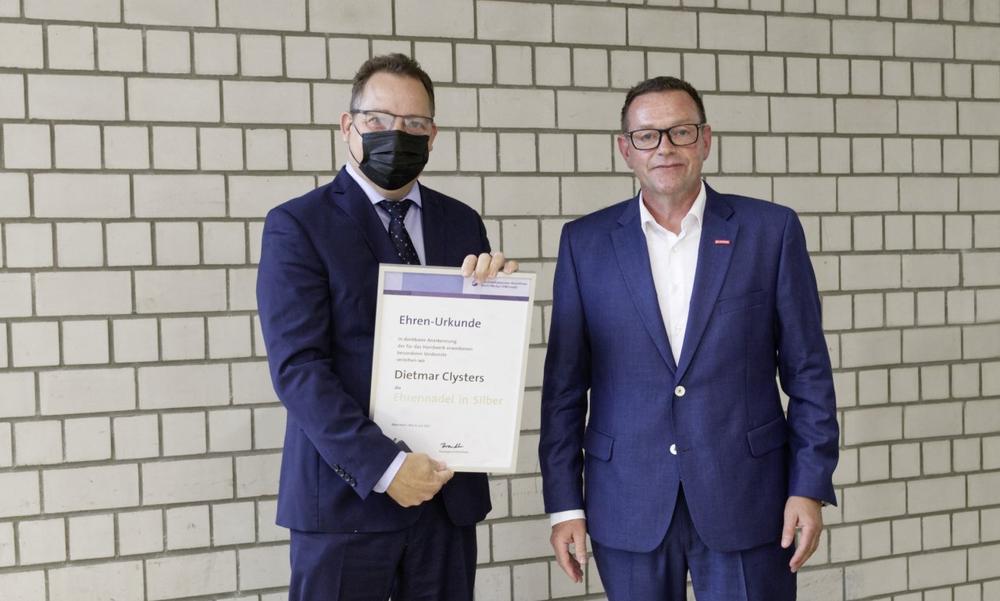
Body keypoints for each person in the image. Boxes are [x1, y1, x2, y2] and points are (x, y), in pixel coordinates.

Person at [538, 76, 839, 600]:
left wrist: (809, 486)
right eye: (647, 136)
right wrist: (565, 505)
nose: (665, 148)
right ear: (625, 149)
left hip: (748, 497)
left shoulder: (769, 232)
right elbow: (563, 389)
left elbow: (809, 373)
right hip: (627, 500)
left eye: (681, 132)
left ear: (705, 140)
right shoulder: (585, 243)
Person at [256, 53, 516, 601]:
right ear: (347, 126)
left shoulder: (461, 222)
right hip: (347, 502)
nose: (396, 135)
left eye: (414, 124)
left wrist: (498, 301)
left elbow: (475, 348)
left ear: (433, 135)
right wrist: (386, 466)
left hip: (446, 498)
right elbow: (299, 369)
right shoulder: (298, 224)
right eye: (377, 120)